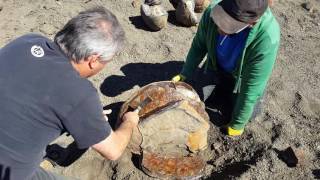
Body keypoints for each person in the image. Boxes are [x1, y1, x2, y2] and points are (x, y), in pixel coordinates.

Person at [0, 7, 139, 180]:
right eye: (106, 62)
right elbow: (113, 150)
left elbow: (28, 96)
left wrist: (83, 117)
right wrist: (130, 123)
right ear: (93, 60)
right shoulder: (80, 94)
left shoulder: (28, 41)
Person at [172, 0, 280, 136]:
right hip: (215, 67)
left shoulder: (267, 38)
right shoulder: (212, 9)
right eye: (220, 19)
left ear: (252, 23)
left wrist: (238, 123)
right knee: (195, 97)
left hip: (241, 79)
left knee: (248, 113)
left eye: (229, 26)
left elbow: (252, 87)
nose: (219, 29)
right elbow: (199, 45)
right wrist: (185, 73)